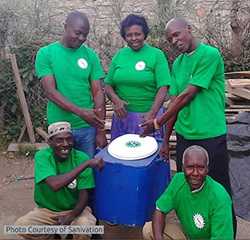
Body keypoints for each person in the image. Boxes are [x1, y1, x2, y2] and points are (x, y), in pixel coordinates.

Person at [15, 121, 104, 240]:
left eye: (69, 139)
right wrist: (86, 164)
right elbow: (55, 184)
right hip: (47, 211)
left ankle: (71, 236)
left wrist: (72, 215)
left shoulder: (81, 157)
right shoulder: (42, 156)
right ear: (50, 142)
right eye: (59, 140)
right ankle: (52, 236)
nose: (65, 144)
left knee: (84, 228)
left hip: (76, 210)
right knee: (21, 226)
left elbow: (84, 194)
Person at [35, 11, 107, 158]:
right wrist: (81, 112)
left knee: (87, 171)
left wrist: (100, 130)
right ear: (65, 27)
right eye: (77, 33)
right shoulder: (46, 53)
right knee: (64, 172)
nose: (81, 38)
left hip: (87, 127)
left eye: (85, 35)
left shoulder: (90, 55)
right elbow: (50, 92)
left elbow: (98, 91)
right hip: (59, 128)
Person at [142, 145, 234, 240]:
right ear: (183, 168)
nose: (195, 173)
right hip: (188, 235)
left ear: (207, 169)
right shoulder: (178, 180)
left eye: (200, 168)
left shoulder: (220, 197)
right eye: (190, 167)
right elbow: (159, 210)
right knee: (148, 230)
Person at [105, 14, 171, 140]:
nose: (133, 38)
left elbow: (163, 87)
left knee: (147, 155)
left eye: (137, 34)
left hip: (147, 118)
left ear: (144, 34)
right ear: (124, 36)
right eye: (129, 35)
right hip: (122, 118)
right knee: (122, 155)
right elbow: (108, 85)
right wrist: (116, 101)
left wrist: (152, 114)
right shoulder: (120, 55)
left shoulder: (156, 55)